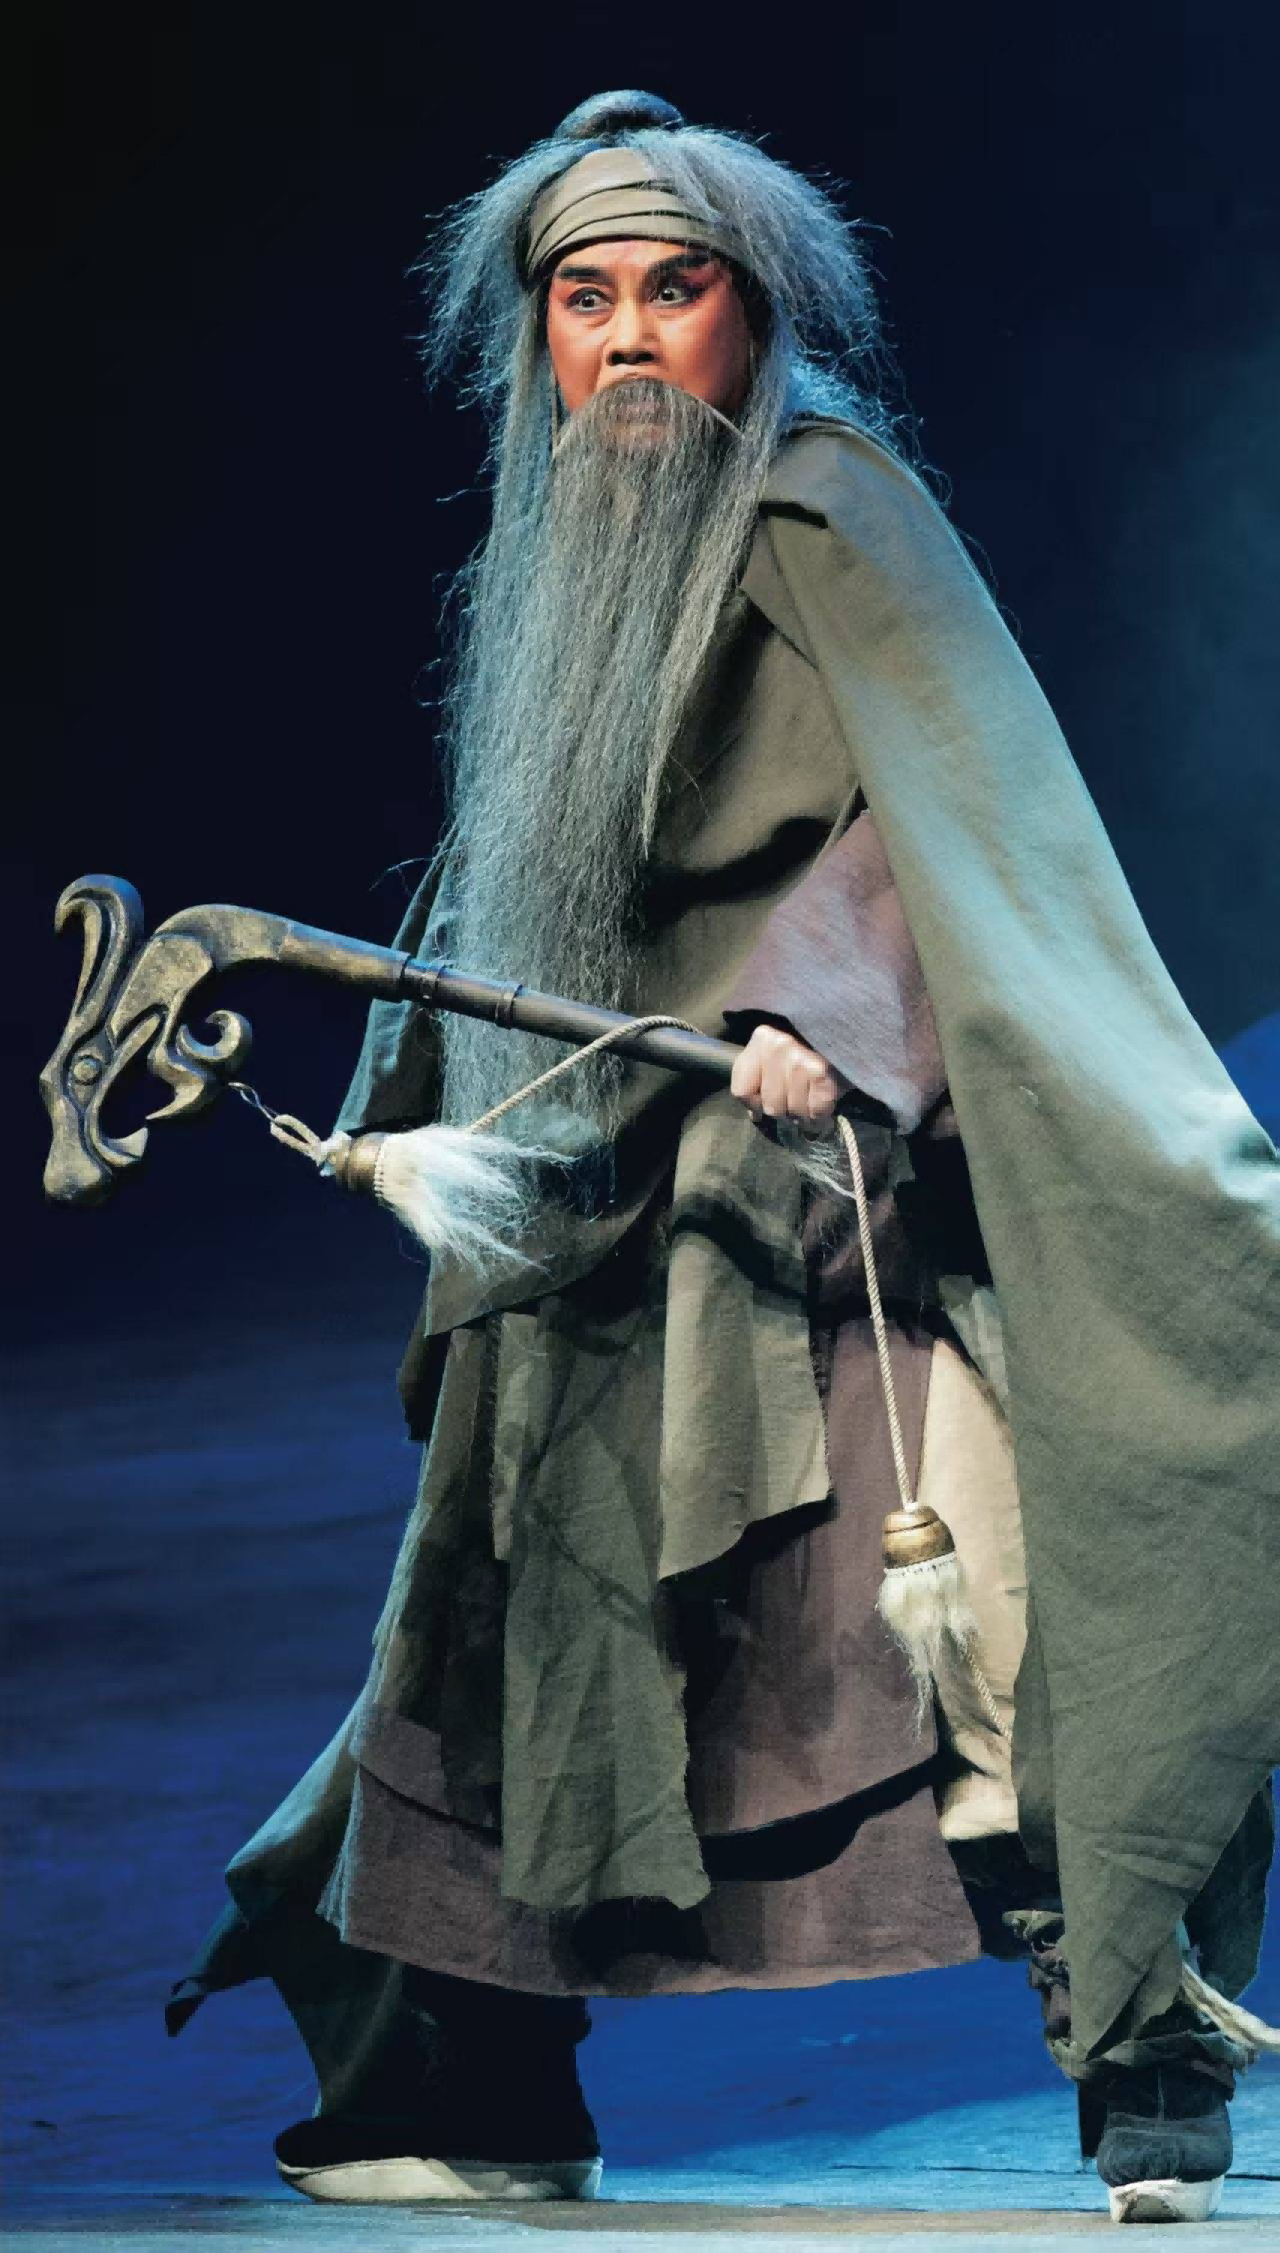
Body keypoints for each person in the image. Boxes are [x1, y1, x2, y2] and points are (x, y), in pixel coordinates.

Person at [167, 92, 1279, 2226]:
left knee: (978, 1616)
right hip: (600, 1185)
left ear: (750, 313)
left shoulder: (828, 500)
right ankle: (484, 2088)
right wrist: (414, 1111)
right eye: (583, 299)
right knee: (504, 1629)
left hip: (835, 1187)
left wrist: (818, 1011)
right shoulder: (553, 551)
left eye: (672, 291)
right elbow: (518, 881)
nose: (625, 338)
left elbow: (956, 811)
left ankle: (1145, 2056)